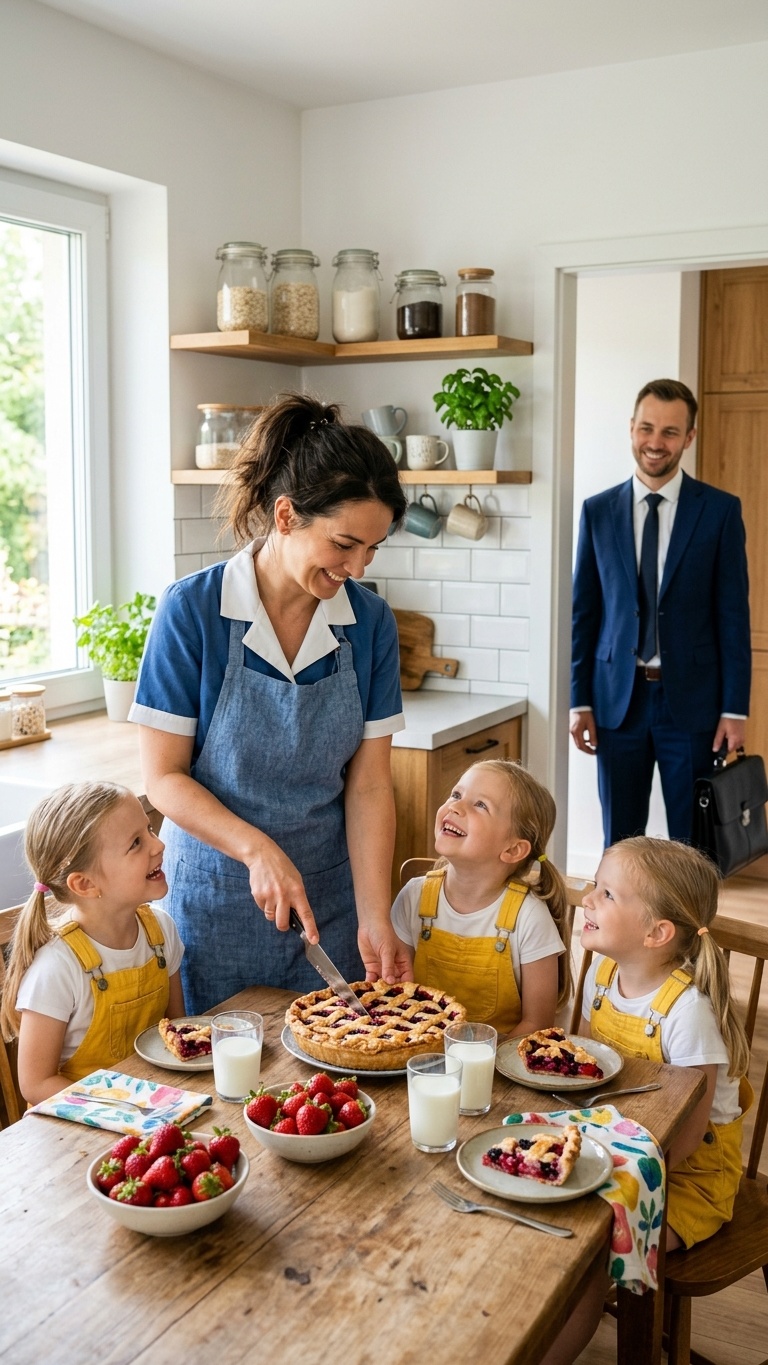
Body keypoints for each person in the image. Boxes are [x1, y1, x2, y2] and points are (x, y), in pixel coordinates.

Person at [130, 393, 410, 1015]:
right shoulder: (194, 612)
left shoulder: (369, 625)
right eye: (344, 544)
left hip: (330, 908)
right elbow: (163, 778)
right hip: (215, 903)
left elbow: (368, 786)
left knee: (327, 1094)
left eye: (372, 550)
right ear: (286, 516)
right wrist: (257, 849)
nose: (357, 568)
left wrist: (373, 915)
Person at [542, 835, 751, 1365]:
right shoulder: (604, 974)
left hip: (685, 1175)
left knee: (587, 1252)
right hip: (619, 1138)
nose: (586, 897)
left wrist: (611, 1176)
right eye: (594, 884)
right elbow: (586, 1068)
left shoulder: (688, 1015)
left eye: (606, 893)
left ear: (657, 933)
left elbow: (685, 1137)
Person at [570, 377, 751, 848]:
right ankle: (621, 924)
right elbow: (584, 614)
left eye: (670, 432)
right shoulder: (597, 512)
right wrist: (580, 701)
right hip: (616, 704)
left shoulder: (719, 512)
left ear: (689, 437)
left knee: (694, 848)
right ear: (631, 428)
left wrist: (735, 708)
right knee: (621, 842)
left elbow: (733, 616)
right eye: (647, 428)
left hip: (693, 707)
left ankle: (694, 925)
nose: (655, 442)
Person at [0, 782, 184, 1105]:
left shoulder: (162, 934)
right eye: (136, 843)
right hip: (75, 1133)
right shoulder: (57, 968)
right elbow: (35, 1083)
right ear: (85, 884)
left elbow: (176, 1035)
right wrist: (122, 1105)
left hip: (149, 1120)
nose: (159, 845)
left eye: (150, 829)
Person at [391, 759, 572, 1035]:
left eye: (480, 805)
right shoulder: (413, 897)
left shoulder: (529, 917)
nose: (454, 806)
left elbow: (538, 1024)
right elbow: (396, 998)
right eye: (456, 795)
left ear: (512, 850)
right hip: (418, 1060)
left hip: (498, 1068)